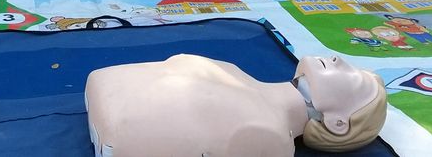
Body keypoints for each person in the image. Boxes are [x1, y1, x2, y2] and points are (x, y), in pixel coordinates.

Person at [85, 54, 387, 156]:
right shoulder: (237, 73)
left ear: (338, 123)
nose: (338, 59)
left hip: (119, 126)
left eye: (356, 80)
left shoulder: (270, 138)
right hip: (109, 95)